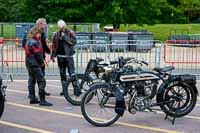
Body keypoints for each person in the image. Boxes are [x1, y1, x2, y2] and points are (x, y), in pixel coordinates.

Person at [22, 18, 51, 98]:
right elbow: (24, 43)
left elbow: (43, 44)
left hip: (37, 57)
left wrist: (48, 51)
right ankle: (33, 95)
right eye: (44, 24)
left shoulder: (42, 32)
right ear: (40, 24)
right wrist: (31, 53)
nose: (45, 26)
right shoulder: (33, 32)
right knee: (35, 77)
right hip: (34, 59)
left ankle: (40, 92)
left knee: (39, 76)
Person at [51, 19, 81, 96]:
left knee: (72, 73)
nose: (62, 29)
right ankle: (64, 90)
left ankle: (76, 90)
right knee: (62, 74)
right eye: (60, 28)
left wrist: (65, 37)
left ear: (65, 26)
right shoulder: (56, 34)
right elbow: (54, 45)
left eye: (63, 27)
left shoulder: (70, 32)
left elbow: (73, 42)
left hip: (69, 56)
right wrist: (52, 55)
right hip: (60, 57)